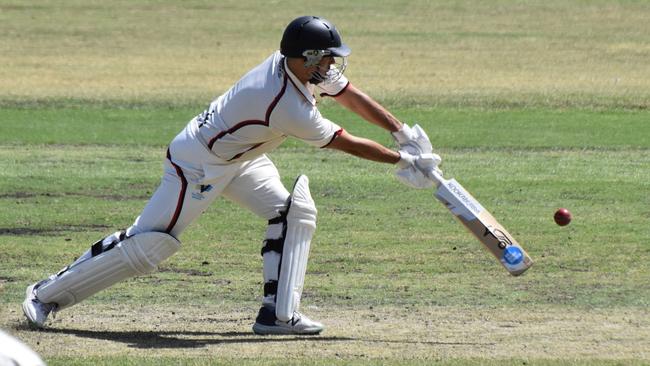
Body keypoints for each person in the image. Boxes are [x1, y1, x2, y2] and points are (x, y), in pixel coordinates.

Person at [22, 16, 440, 335]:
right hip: (198, 163)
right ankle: (46, 295)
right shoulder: (283, 103)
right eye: (326, 57)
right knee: (150, 245)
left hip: (243, 158)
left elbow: (347, 93)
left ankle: (278, 316)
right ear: (305, 58)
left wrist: (400, 131)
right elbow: (343, 140)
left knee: (292, 213)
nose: (332, 65)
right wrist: (401, 162)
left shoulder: (296, 66)